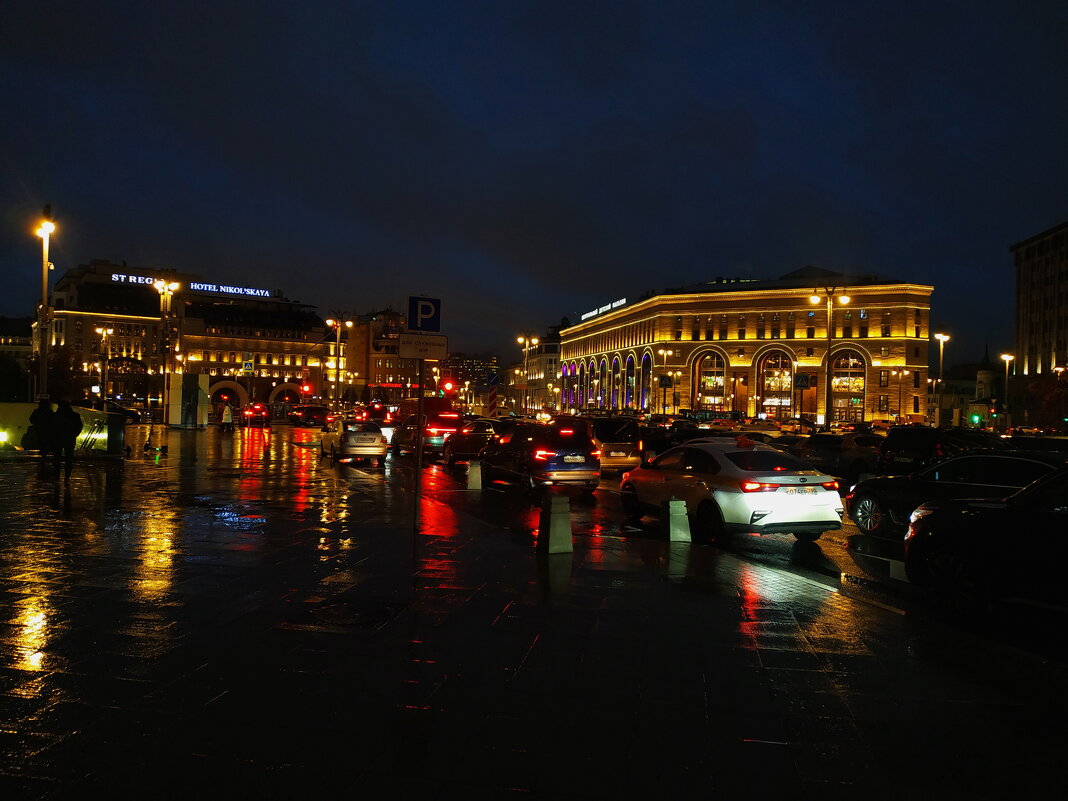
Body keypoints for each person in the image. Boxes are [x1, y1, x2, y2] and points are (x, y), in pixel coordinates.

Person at [53, 400, 83, 481]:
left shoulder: (56, 416)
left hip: (58, 438)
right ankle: (67, 476)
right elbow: (79, 427)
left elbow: (52, 427)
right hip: (70, 438)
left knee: (57, 458)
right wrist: (74, 435)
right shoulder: (75, 415)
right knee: (69, 458)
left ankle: (57, 476)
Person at [29, 399, 58, 473]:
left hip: (39, 431)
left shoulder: (36, 411)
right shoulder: (49, 412)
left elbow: (31, 419)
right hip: (48, 432)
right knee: (48, 444)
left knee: (42, 444)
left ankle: (43, 459)